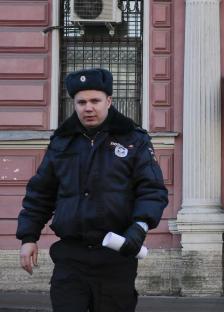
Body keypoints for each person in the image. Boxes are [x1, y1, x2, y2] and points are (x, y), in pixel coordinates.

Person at [16, 68, 169, 311]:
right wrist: (28, 237)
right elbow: (40, 193)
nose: (88, 107)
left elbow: (151, 190)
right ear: (73, 104)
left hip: (116, 255)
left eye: (95, 101)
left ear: (109, 101)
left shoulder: (133, 139)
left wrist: (139, 227)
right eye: (82, 102)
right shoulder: (61, 142)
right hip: (71, 256)